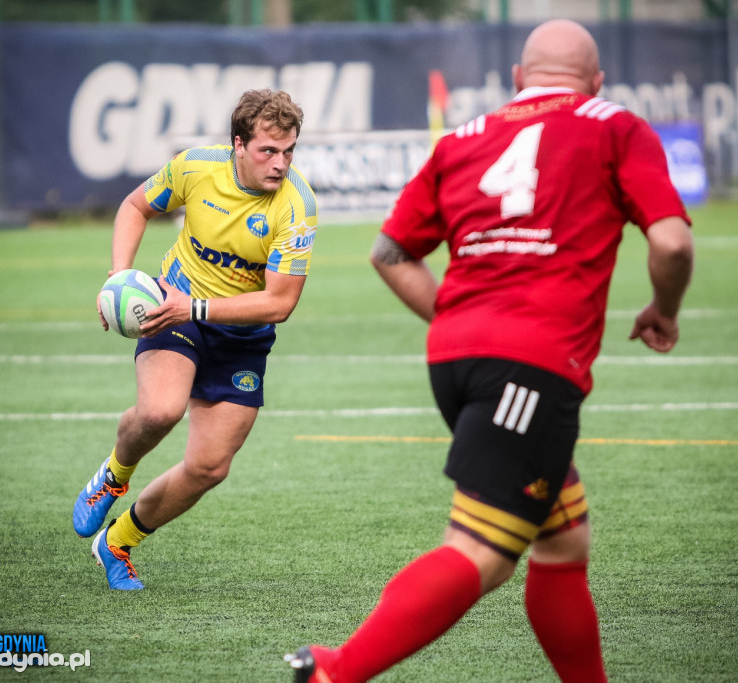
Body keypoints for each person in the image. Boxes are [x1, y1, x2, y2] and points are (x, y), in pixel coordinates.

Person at [286, 19, 694, 682]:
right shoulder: (616, 125)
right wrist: (664, 311)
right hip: (530, 368)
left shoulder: (465, 137)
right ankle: (337, 671)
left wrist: (457, 313)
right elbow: (672, 243)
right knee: (482, 550)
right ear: (597, 82)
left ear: (517, 82)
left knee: (562, 538)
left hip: (453, 359)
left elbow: (388, 253)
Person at [73, 89, 318, 590]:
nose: (281, 164)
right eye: (268, 151)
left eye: (289, 151)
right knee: (160, 411)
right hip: (173, 311)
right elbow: (135, 206)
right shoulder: (195, 168)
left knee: (209, 468)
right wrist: (118, 279)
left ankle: (116, 542)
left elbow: (280, 304)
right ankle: (115, 474)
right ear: (238, 144)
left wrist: (200, 307)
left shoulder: (298, 208)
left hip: (242, 337)